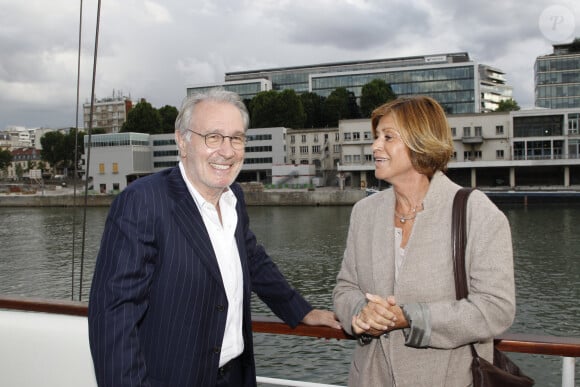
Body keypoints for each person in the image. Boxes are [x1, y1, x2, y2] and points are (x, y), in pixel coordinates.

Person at [88, 88, 341, 387]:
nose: (227, 150)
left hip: (235, 376)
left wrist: (302, 310)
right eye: (213, 137)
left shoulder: (233, 196)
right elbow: (114, 317)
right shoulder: (143, 202)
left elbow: (253, 259)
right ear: (182, 141)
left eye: (236, 138)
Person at [332, 96, 515, 386]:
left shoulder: (477, 212)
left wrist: (410, 317)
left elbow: (495, 308)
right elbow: (345, 289)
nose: (375, 146)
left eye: (387, 137)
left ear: (421, 141)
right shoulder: (364, 212)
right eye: (376, 136)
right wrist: (361, 314)